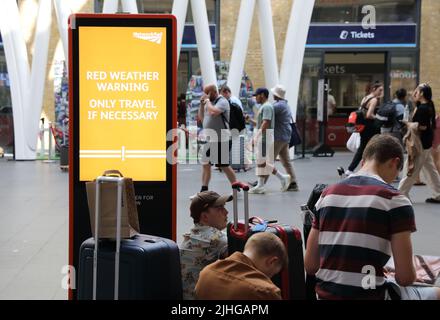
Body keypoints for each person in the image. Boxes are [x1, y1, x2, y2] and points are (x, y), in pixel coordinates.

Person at [305, 134, 440, 300]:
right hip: (370, 295)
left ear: (363, 162)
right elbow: (405, 278)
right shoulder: (395, 200)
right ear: (395, 162)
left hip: (326, 296)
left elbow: (311, 266)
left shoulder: (326, 195)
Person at [195, 232, 287, 300]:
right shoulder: (265, 292)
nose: (269, 279)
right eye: (272, 274)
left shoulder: (206, 273)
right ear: (272, 261)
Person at [180, 191, 232, 300]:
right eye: (220, 208)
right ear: (204, 216)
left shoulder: (193, 234)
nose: (226, 212)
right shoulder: (216, 239)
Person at [191, 84, 237, 198]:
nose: (205, 95)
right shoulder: (208, 103)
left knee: (223, 165)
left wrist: (207, 102)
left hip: (223, 139)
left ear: (213, 92)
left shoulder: (222, 101)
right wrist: (202, 105)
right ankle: (203, 190)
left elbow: (214, 112)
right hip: (212, 139)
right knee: (206, 163)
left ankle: (236, 188)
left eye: (207, 93)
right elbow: (202, 118)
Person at [398, 83, 440, 203]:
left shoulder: (423, 108)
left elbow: (422, 126)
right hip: (426, 143)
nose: (414, 93)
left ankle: (401, 195)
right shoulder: (428, 105)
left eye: (417, 91)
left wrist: (408, 124)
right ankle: (438, 193)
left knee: (410, 169)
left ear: (422, 93)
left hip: (419, 144)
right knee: (431, 170)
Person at [246, 87, 291, 194]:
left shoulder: (267, 107)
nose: (255, 98)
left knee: (262, 161)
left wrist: (256, 137)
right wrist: (250, 121)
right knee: (261, 161)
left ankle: (279, 179)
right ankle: (263, 184)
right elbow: (262, 123)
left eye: (256, 95)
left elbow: (266, 123)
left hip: (265, 137)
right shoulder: (265, 107)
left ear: (262, 95)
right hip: (265, 136)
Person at [338, 81, 383, 177]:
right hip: (370, 127)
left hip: (363, 126)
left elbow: (361, 111)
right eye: (380, 90)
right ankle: (372, 169)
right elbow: (369, 114)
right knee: (376, 147)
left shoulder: (365, 98)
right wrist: (378, 118)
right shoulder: (374, 100)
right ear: (374, 89)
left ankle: (351, 169)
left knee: (363, 148)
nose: (381, 92)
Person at [270, 84, 299, 191]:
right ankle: (293, 183)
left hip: (279, 136)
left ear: (276, 95)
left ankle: (261, 182)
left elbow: (266, 110)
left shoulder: (279, 106)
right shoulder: (284, 104)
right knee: (286, 161)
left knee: (268, 161)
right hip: (285, 135)